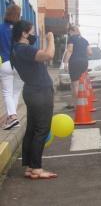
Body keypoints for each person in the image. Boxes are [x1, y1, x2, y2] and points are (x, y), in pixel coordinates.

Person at [11, 20, 57, 179]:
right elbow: (49, 54)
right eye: (31, 31)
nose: (34, 35)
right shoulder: (25, 49)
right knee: (41, 130)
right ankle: (36, 168)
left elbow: (40, 56)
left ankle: (30, 166)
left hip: (32, 91)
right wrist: (51, 39)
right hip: (40, 92)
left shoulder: (16, 50)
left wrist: (45, 43)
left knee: (32, 129)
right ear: (24, 33)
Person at [0, 5, 23, 130]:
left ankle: (12, 117)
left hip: (5, 63)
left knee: (7, 92)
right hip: (20, 64)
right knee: (15, 92)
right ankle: (12, 119)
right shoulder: (20, 30)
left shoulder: (0, 28)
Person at [63, 25, 92, 109]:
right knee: (81, 83)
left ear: (71, 31)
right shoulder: (84, 40)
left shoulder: (72, 39)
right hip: (84, 63)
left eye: (69, 32)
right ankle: (75, 103)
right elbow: (90, 52)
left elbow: (69, 50)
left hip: (74, 63)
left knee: (75, 85)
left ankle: (78, 105)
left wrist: (65, 63)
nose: (69, 34)